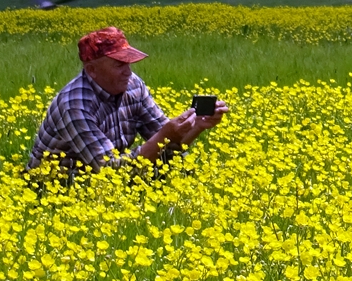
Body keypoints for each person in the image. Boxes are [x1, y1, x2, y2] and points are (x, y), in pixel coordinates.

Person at [28, 26, 228, 172]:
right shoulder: (75, 105)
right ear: (92, 71)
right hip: (56, 185)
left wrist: (197, 126)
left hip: (101, 180)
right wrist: (165, 136)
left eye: (128, 63)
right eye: (119, 65)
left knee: (178, 170)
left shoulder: (133, 85)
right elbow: (109, 169)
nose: (128, 72)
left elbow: (166, 145)